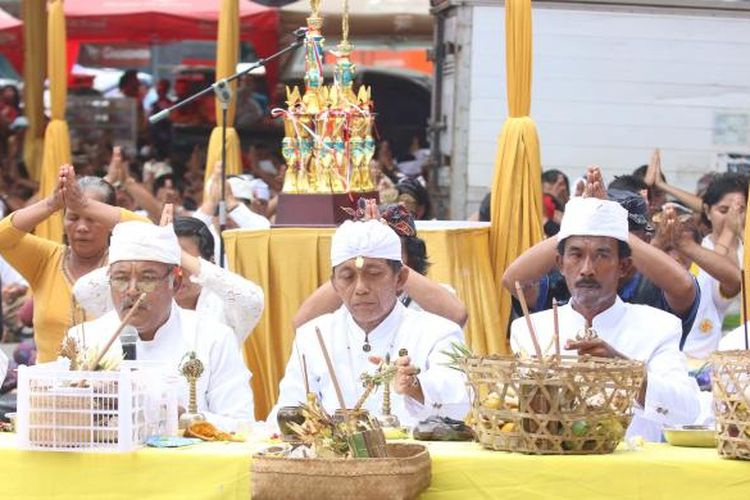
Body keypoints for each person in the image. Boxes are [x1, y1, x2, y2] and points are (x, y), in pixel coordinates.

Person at [510, 197, 700, 441]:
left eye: (601, 255)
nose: (587, 269)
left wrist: (624, 372)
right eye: (576, 255)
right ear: (560, 264)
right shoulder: (530, 330)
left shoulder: (659, 327)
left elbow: (686, 411)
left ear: (624, 267)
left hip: (632, 474)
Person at [271, 220, 470, 427]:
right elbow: (289, 410)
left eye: (374, 274)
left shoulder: (439, 333)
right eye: (347, 277)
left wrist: (415, 387)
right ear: (335, 285)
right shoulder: (313, 335)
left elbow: (461, 405)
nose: (361, 288)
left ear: (400, 279)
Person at [67, 221, 254, 430]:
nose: (131, 291)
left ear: (175, 283)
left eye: (147, 279)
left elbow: (242, 425)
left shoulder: (213, 337)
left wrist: (183, 418)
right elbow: (63, 420)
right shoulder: (83, 339)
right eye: (120, 279)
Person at [504, 167, 699, 344]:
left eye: (605, 249)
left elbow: (684, 286)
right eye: (580, 250)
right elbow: (514, 280)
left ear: (643, 241)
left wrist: (611, 222)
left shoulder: (656, 285)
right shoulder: (570, 279)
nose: (588, 267)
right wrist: (577, 222)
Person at [0, 165, 145, 362]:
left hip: (108, 390)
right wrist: (51, 204)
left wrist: (84, 204)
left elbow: (149, 232)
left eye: (92, 218)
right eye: (73, 217)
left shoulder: (127, 264)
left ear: (109, 222)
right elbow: (3, 237)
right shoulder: (45, 259)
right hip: (47, 389)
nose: (82, 227)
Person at [73, 215, 265, 346]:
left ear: (209, 263)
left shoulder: (222, 309)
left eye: (183, 263)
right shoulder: (139, 301)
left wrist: (175, 254)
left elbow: (252, 300)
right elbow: (83, 290)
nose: (176, 273)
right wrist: (144, 252)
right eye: (165, 264)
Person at [292, 202, 468, 328]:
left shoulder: (428, 297)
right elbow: (302, 324)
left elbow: (457, 316)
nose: (361, 288)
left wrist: (387, 257)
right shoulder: (351, 296)